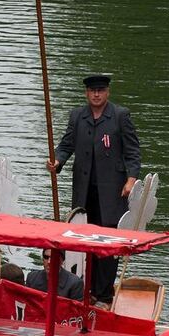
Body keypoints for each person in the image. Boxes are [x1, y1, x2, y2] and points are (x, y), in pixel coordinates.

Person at [50, 73, 141, 303]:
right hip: (84, 191)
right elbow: (66, 144)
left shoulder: (120, 116)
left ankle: (103, 293)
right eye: (92, 91)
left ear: (107, 92)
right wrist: (57, 161)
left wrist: (131, 180)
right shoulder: (77, 116)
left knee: (108, 242)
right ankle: (85, 291)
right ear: (86, 93)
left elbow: (132, 152)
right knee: (84, 240)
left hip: (112, 193)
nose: (96, 94)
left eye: (100, 90)